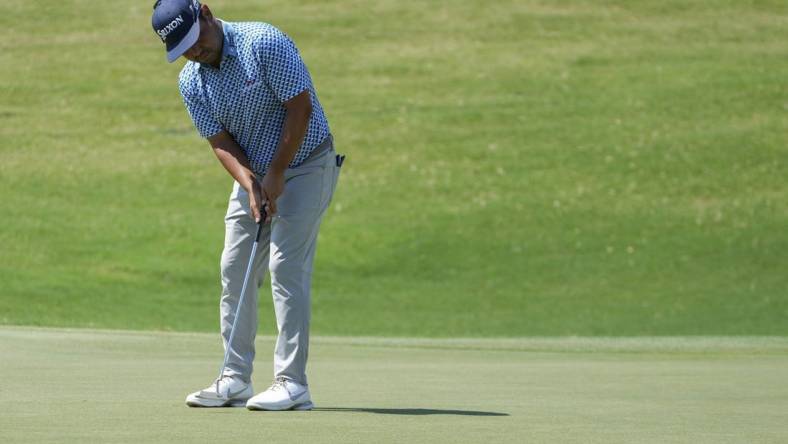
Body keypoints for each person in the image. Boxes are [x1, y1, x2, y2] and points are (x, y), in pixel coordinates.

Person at [151, 0, 343, 410]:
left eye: (195, 40)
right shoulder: (191, 81)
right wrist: (251, 183)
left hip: (308, 162)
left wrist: (276, 172)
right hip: (255, 172)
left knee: (284, 265)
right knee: (234, 267)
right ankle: (234, 377)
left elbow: (300, 107)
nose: (194, 52)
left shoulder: (263, 42)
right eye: (184, 48)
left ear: (205, 11)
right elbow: (219, 141)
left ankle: (293, 384)